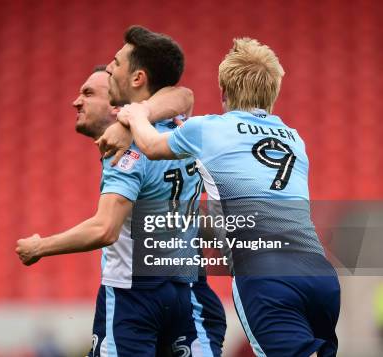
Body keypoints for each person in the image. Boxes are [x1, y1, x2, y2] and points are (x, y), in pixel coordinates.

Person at [100, 37, 340, 357]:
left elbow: (150, 146)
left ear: (224, 93)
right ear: (274, 92)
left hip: (265, 276)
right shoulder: (294, 138)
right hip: (320, 274)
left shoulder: (208, 130)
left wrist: (133, 117)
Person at [17, 25, 225, 357]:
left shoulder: (128, 154)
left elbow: (105, 228)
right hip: (187, 292)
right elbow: (183, 95)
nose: (76, 101)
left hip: (135, 297)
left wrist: (40, 246)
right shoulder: (181, 129)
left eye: (89, 93)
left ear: (132, 87)